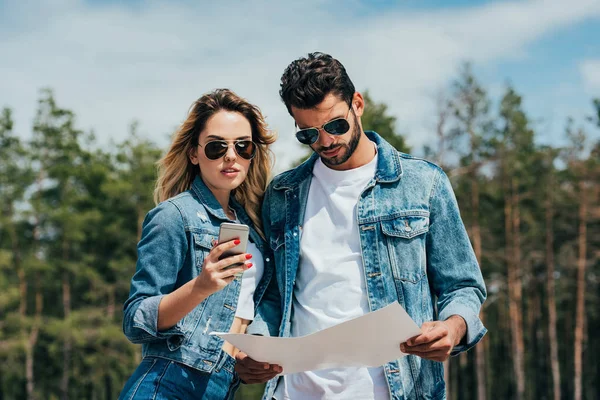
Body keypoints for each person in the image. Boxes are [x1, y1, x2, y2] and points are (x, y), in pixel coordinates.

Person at [235, 53, 487, 400]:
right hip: (296, 392)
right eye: (309, 133)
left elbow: (463, 286)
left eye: (335, 126)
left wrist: (452, 328)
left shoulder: (422, 183)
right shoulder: (282, 194)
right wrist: (258, 345)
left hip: (399, 391)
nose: (325, 142)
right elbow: (273, 294)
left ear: (357, 104)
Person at [119, 89, 276, 400]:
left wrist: (255, 347)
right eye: (217, 147)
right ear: (194, 153)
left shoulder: (255, 226)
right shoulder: (173, 216)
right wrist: (201, 286)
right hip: (168, 383)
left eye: (242, 146)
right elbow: (135, 319)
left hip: (223, 385)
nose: (231, 156)